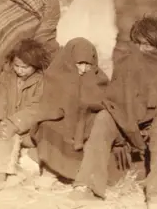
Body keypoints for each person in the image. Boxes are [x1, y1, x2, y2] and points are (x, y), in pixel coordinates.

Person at [68, 18, 157, 209]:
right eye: (139, 44)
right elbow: (116, 102)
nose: (143, 50)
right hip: (128, 124)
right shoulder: (125, 63)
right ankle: (88, 187)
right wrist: (127, 128)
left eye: (149, 45)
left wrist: (147, 126)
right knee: (103, 119)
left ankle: (156, 192)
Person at [31, 38, 110, 182]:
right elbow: (50, 104)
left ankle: (78, 173)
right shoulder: (55, 75)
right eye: (79, 63)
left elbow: (103, 103)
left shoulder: (99, 78)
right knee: (46, 126)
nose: (83, 69)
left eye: (88, 64)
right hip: (62, 120)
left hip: (85, 123)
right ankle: (51, 170)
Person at [0, 39, 50, 187]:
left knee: (14, 143)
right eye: (16, 66)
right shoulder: (6, 78)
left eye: (25, 67)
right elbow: (0, 101)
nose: (20, 70)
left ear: (35, 65)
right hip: (5, 125)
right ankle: (10, 170)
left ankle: (1, 173)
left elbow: (35, 108)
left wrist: (14, 123)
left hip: (26, 130)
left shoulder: (42, 82)